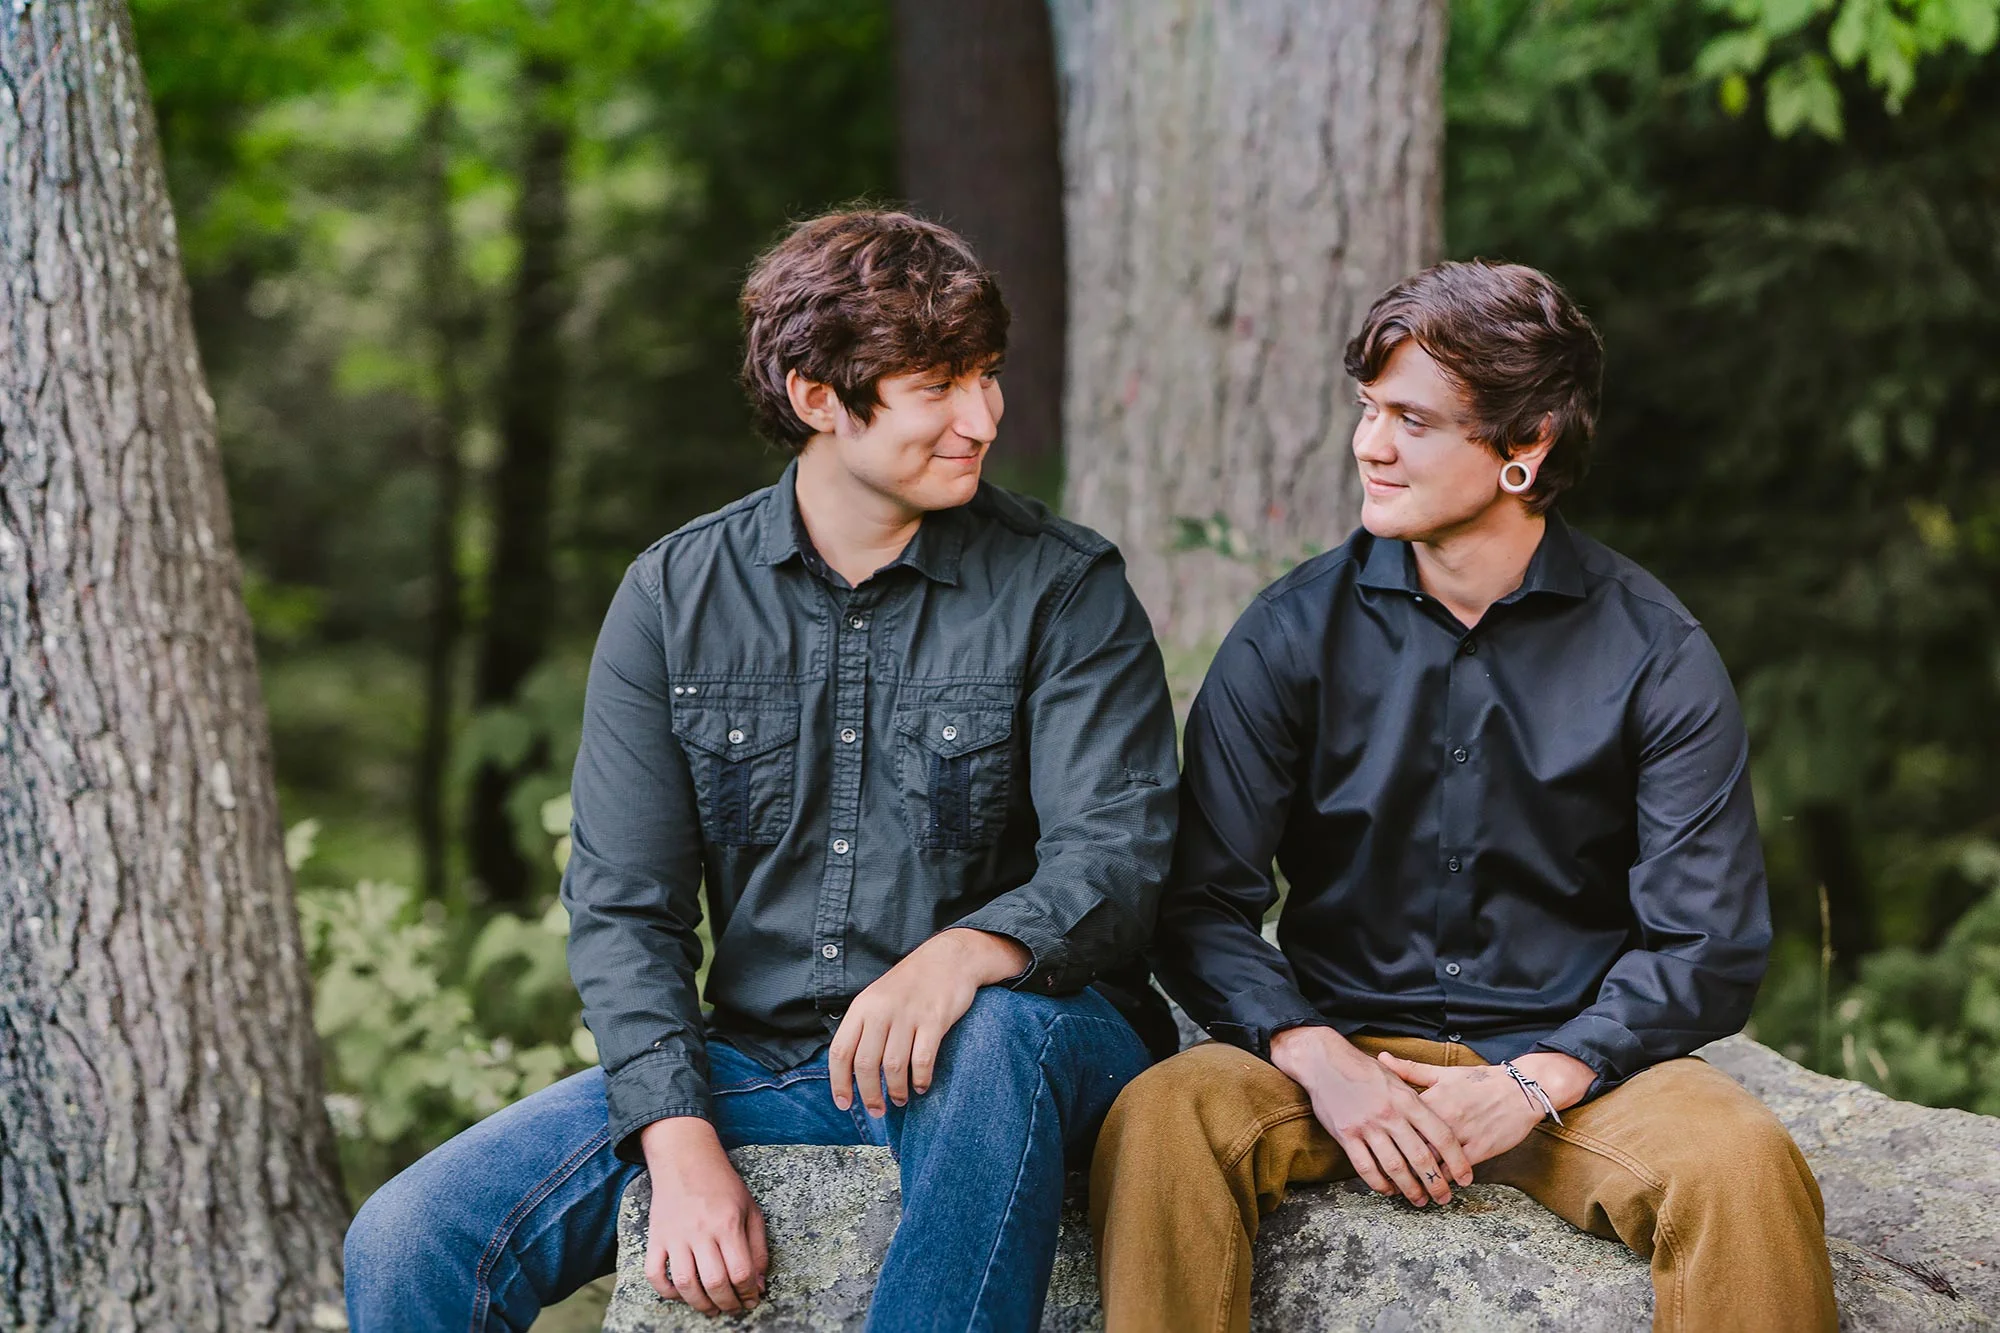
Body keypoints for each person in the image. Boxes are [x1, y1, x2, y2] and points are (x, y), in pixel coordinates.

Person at [342, 209, 1181, 1332]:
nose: (981, 416)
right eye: (937, 386)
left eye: (986, 375)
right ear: (816, 396)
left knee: (986, 1030)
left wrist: (963, 953)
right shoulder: (673, 596)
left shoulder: (1063, 588)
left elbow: (1116, 856)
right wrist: (678, 1140)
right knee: (410, 1237)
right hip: (767, 1061)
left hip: (1027, 1047)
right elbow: (624, 905)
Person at [1089, 260, 1838, 1333]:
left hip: (1576, 1069)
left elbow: (1705, 942)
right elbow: (1196, 899)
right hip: (1337, 1054)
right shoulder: (1290, 632)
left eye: (1412, 420)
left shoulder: (1656, 653)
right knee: (1163, 1117)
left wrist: (1541, 1077)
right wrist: (1313, 1053)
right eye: (1367, 409)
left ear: (1524, 445)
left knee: (1742, 1160)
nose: (1370, 444)